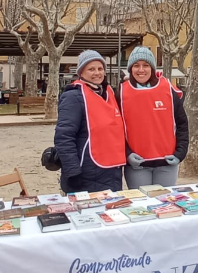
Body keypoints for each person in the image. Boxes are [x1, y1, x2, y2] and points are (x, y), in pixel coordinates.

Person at [54, 50, 126, 193]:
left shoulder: (109, 94)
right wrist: (72, 171)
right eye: (91, 69)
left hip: (111, 171)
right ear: (81, 72)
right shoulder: (73, 97)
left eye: (100, 69)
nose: (97, 73)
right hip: (85, 172)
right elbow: (64, 137)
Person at [118, 46, 189, 188]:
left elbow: (182, 124)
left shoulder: (168, 89)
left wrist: (180, 153)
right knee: (140, 206)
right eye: (136, 65)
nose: (141, 70)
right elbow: (116, 129)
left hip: (166, 163)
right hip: (137, 165)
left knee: (164, 205)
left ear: (152, 68)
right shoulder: (121, 92)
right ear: (131, 68)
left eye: (146, 65)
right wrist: (127, 154)